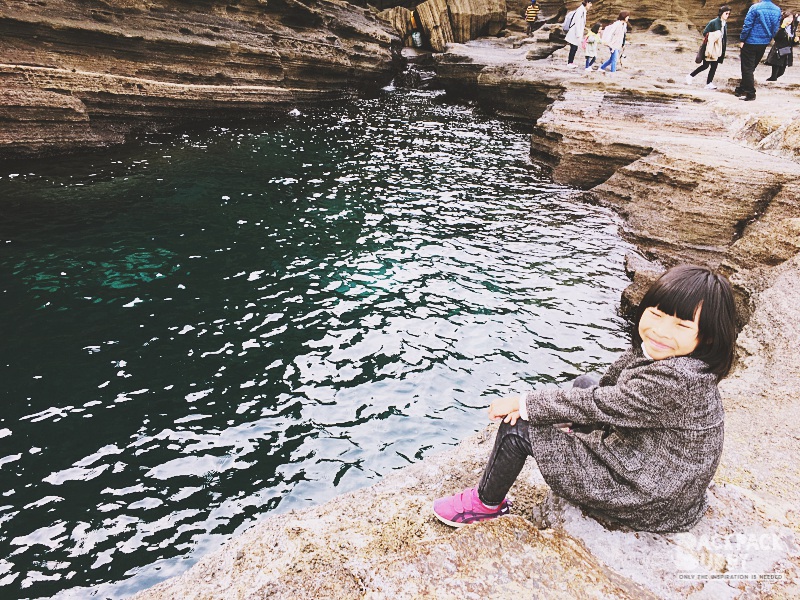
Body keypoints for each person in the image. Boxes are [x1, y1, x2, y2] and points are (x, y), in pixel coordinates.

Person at [432, 265, 737, 533]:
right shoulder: (687, 365)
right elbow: (608, 395)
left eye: (681, 325)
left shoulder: (674, 379)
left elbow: (601, 405)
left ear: (707, 336)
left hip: (646, 498)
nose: (659, 331)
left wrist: (525, 403)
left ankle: (484, 505)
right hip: (664, 482)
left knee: (518, 429)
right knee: (584, 384)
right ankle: (566, 447)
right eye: (656, 315)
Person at [735, 0, 781, 101]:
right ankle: (741, 89)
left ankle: (751, 93)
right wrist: (769, 38)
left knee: (747, 68)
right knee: (751, 68)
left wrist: (742, 39)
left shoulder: (755, 7)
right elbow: (775, 28)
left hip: (751, 41)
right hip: (763, 42)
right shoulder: (777, 10)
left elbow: (747, 25)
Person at [686, 5, 731, 89]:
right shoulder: (713, 22)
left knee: (714, 66)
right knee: (705, 65)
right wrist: (715, 35)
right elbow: (705, 33)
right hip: (710, 47)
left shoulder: (725, 24)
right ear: (721, 13)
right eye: (726, 13)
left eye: (728, 14)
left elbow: (724, 36)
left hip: (718, 47)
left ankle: (709, 83)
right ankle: (690, 76)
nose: (727, 15)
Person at [765, 11, 799, 80]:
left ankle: (772, 80)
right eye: (788, 17)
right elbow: (777, 38)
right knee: (775, 71)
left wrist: (796, 41)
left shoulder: (792, 28)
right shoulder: (779, 27)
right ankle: (772, 80)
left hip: (786, 52)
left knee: (781, 72)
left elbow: (791, 43)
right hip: (778, 50)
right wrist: (783, 27)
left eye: (791, 17)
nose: (790, 19)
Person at [565, 1, 592, 67]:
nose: (591, 5)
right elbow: (577, 23)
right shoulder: (580, 10)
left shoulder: (583, 10)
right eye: (590, 3)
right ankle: (570, 63)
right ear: (587, 3)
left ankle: (570, 62)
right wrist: (578, 34)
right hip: (574, 32)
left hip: (576, 32)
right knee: (573, 48)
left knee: (574, 48)